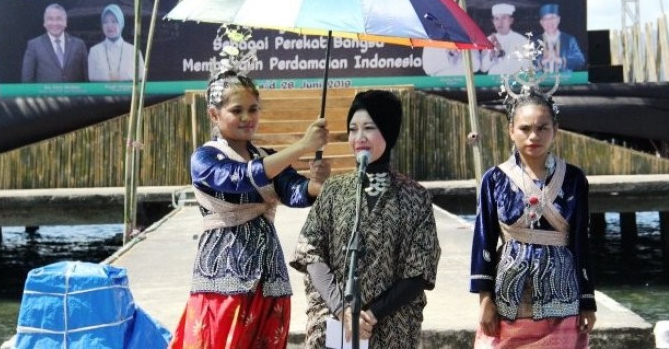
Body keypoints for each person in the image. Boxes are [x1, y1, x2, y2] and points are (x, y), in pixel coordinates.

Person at [168, 70, 331, 349]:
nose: (247, 117)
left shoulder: (267, 156)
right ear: (213, 115)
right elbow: (241, 178)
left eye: (253, 109)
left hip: (270, 278)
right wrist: (303, 145)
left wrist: (317, 184)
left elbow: (294, 191)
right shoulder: (205, 158)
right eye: (237, 110)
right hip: (223, 277)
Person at [290, 90, 441, 348]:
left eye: (369, 128)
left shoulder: (415, 196)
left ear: (388, 130)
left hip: (391, 327)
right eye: (353, 129)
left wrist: (371, 316)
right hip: (336, 326)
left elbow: (421, 269)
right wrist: (342, 310)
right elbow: (310, 251)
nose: (359, 138)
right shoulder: (334, 191)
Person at [469, 83, 597, 348]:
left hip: (563, 297)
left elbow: (581, 242)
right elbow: (484, 240)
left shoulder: (573, 178)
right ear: (511, 131)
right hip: (509, 297)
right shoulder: (494, 179)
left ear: (556, 131)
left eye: (542, 128)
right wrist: (484, 299)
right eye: (525, 128)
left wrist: (587, 300)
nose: (533, 136)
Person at [21, 3, 88, 83]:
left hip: (73, 95)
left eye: (59, 19)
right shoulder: (34, 45)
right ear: (44, 23)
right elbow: (27, 79)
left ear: (65, 22)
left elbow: (86, 78)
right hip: (46, 95)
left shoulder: (79, 45)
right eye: (50, 19)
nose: (55, 23)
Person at [88, 4, 145, 81]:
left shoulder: (134, 51)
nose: (109, 25)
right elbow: (91, 78)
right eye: (105, 22)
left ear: (121, 23)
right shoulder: (94, 51)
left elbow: (141, 77)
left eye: (114, 21)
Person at [480, 3, 529, 75]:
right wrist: (491, 54)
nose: (500, 22)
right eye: (496, 19)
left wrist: (502, 54)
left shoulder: (521, 40)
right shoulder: (488, 40)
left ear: (511, 20)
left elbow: (526, 66)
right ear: (493, 21)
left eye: (504, 18)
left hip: (514, 81)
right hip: (493, 82)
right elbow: (483, 69)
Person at [536, 3, 586, 73]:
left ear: (558, 20)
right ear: (541, 22)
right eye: (546, 19)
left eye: (552, 18)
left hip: (565, 82)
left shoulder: (569, 40)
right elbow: (526, 63)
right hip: (541, 82)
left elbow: (580, 60)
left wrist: (560, 60)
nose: (549, 22)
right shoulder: (534, 42)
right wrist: (543, 61)